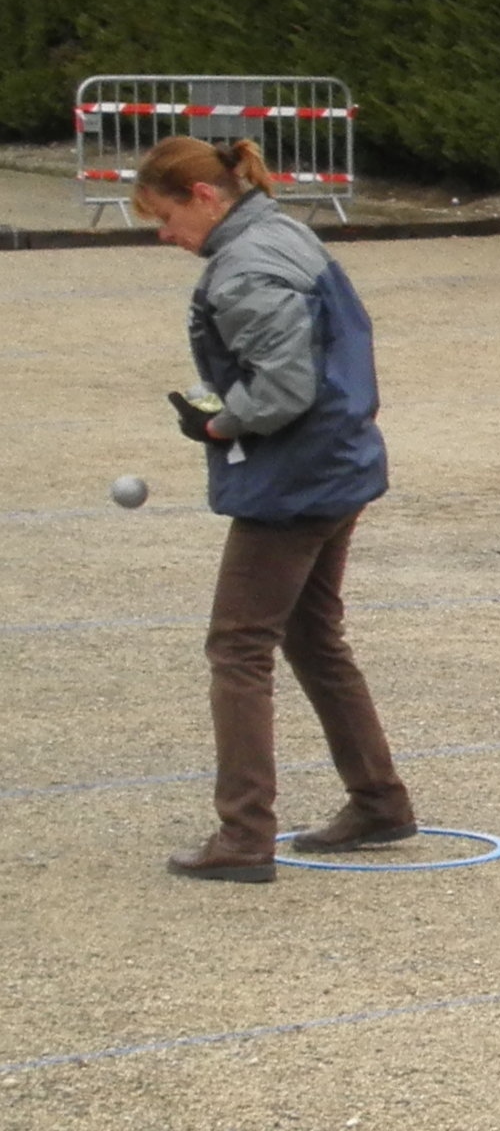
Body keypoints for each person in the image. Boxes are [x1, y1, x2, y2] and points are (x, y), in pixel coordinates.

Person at [132, 135, 416, 883]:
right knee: (314, 637)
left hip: (297, 477)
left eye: (164, 217)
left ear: (202, 196)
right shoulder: (278, 227)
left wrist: (220, 421)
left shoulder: (245, 267)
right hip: (341, 458)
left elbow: (284, 389)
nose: (163, 236)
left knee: (238, 647)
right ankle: (380, 800)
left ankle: (244, 835)